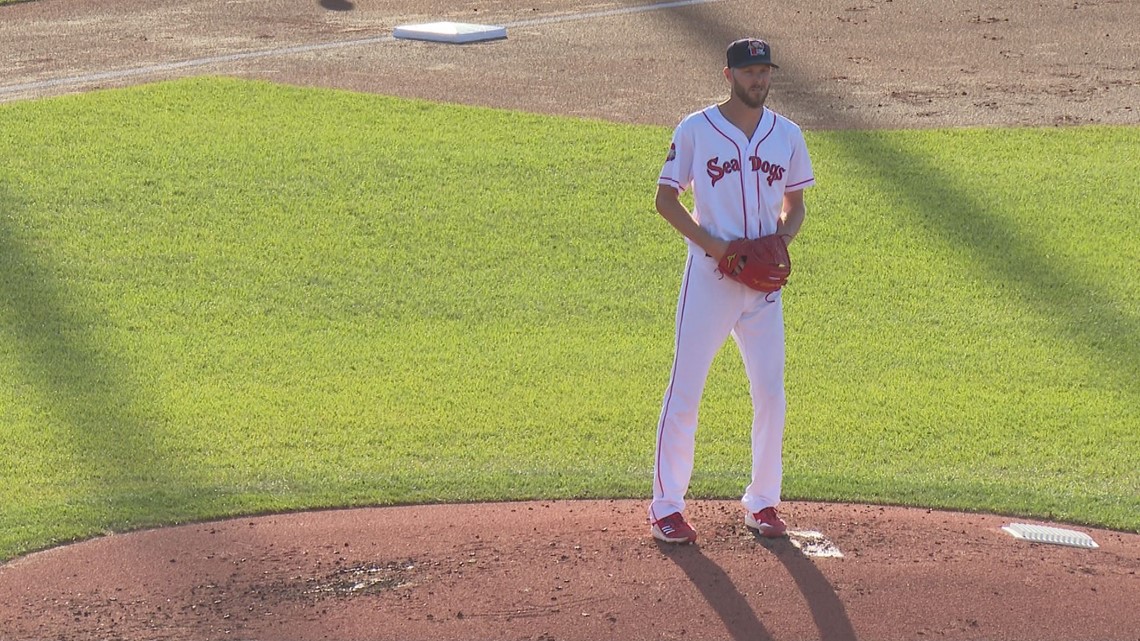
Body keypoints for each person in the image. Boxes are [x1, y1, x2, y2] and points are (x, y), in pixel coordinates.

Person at [649, 37, 815, 544]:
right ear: (728, 75)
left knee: (771, 394)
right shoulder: (696, 130)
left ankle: (763, 503)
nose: (758, 80)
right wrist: (718, 247)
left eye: (764, 71)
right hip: (710, 281)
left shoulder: (787, 134)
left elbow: (796, 204)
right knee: (686, 393)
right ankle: (665, 508)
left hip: (762, 288)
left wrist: (778, 242)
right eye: (748, 72)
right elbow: (666, 200)